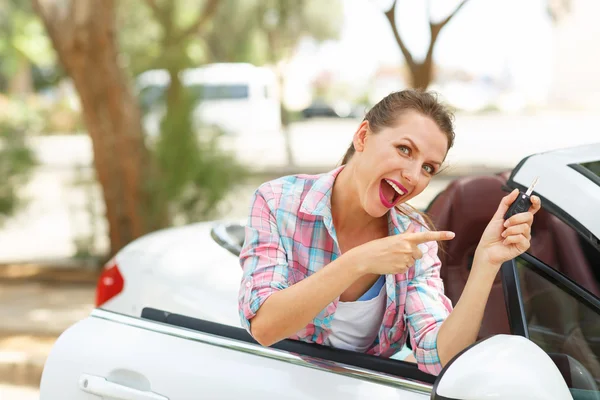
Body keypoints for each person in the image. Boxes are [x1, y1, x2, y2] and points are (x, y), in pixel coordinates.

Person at [237, 89, 541, 375]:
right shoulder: (278, 201)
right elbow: (264, 326)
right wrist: (359, 261)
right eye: (404, 149)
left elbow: (440, 356)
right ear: (363, 136)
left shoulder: (414, 237)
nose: (412, 176)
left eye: (428, 168)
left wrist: (486, 264)